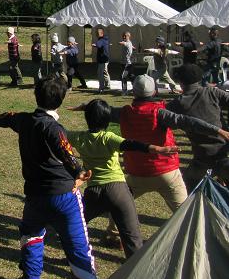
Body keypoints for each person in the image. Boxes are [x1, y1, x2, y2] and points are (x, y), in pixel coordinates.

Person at [0, 76, 97, 279]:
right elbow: (67, 153)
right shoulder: (54, 128)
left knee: (31, 233)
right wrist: (80, 173)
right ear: (60, 100)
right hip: (64, 197)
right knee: (79, 250)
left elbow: (9, 118)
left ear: (36, 95)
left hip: (35, 197)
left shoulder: (26, 120)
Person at [75, 75, 229, 216]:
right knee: (185, 214)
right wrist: (218, 130)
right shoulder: (161, 113)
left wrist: (86, 106)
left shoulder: (124, 113)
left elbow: (103, 111)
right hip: (167, 173)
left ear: (133, 93)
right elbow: (189, 122)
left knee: (120, 204)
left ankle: (114, 234)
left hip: (138, 173)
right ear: (155, 91)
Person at [68, 99, 177, 259]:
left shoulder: (79, 138)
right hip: (118, 191)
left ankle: (76, 256)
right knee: (132, 237)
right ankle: (135, 271)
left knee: (76, 224)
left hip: (94, 191)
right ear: (106, 120)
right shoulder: (108, 138)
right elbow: (131, 144)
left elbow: (59, 133)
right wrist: (157, 148)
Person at [168, 64, 229, 189]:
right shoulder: (212, 92)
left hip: (202, 156)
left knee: (186, 188)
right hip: (223, 149)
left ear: (180, 82)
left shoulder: (178, 103)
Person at [92, 28, 110, 93]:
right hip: (105, 59)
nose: (96, 34)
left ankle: (101, 88)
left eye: (98, 33)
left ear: (102, 33)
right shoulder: (104, 39)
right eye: (96, 33)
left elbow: (99, 44)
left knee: (100, 73)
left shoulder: (102, 40)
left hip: (103, 59)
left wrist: (95, 44)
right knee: (105, 72)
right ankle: (107, 85)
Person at [118, 32, 134, 96]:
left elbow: (123, 43)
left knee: (123, 77)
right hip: (125, 63)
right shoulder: (130, 43)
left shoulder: (127, 43)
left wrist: (120, 43)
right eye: (123, 36)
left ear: (128, 36)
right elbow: (131, 46)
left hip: (127, 63)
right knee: (131, 76)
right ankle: (136, 88)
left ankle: (124, 91)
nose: (124, 37)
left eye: (125, 36)